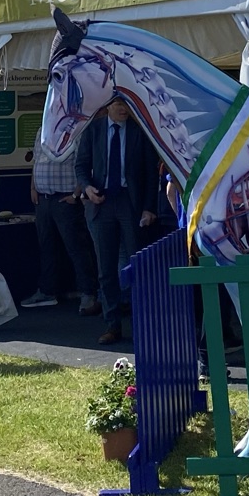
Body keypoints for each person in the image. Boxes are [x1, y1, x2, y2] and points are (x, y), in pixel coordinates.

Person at [75, 99, 159, 345]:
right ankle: (112, 325)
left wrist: (149, 208)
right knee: (106, 269)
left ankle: (142, 324)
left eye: (126, 104)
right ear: (108, 106)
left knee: (136, 266)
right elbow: (81, 165)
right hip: (101, 202)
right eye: (119, 104)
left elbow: (150, 172)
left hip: (129, 203)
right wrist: (87, 188)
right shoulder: (93, 130)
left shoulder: (139, 132)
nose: (123, 109)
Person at [19, 142, 99, 315]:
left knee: (77, 248)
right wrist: (33, 187)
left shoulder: (76, 131)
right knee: (47, 247)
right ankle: (47, 291)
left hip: (65, 198)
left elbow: (84, 164)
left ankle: (88, 293)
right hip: (43, 199)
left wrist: (76, 194)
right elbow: (36, 160)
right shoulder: (42, 131)